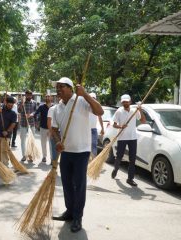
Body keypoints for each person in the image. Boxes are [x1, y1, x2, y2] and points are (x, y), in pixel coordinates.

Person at [51, 77, 103, 233]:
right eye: (57, 87)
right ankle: (69, 211)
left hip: (81, 151)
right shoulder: (57, 108)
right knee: (66, 184)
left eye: (61, 87)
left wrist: (85, 94)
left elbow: (100, 111)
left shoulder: (81, 101)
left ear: (71, 88)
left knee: (79, 185)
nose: (58, 90)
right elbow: (54, 129)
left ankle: (78, 217)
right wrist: (58, 141)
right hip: (66, 152)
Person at [111, 94, 146, 187]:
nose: (125, 103)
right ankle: (115, 169)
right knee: (119, 156)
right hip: (122, 138)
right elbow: (114, 125)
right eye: (124, 102)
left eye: (127, 101)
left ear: (130, 102)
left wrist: (140, 110)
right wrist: (121, 126)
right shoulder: (119, 111)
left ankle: (130, 179)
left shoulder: (135, 111)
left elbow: (143, 121)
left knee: (132, 159)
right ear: (122, 102)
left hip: (132, 138)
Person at [0, 96, 17, 166]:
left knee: (4, 151)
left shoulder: (13, 113)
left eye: (12, 105)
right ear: (5, 102)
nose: (11, 106)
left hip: (6, 135)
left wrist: (7, 131)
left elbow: (13, 124)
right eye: (9, 105)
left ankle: (5, 166)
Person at [31, 94, 53, 162]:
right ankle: (44, 156)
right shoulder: (41, 106)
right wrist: (36, 123)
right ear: (44, 98)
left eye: (48, 96)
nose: (47, 98)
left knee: (51, 144)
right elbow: (35, 114)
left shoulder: (54, 107)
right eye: (46, 96)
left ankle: (52, 158)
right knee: (43, 143)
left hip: (51, 129)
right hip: (43, 127)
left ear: (51, 98)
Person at [18, 90, 37, 162]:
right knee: (23, 140)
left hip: (31, 124)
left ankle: (30, 155)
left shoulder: (34, 102)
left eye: (30, 95)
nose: (29, 96)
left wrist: (31, 114)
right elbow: (19, 111)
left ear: (31, 95)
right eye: (27, 95)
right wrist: (21, 105)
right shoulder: (21, 102)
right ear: (25, 95)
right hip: (23, 123)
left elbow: (36, 111)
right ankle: (24, 155)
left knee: (32, 140)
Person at [89, 93, 104, 158]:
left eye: (94, 98)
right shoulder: (85, 105)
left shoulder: (97, 107)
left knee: (94, 144)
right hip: (85, 129)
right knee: (86, 145)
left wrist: (102, 128)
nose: (92, 99)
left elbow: (100, 117)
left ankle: (94, 159)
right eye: (91, 97)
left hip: (94, 129)